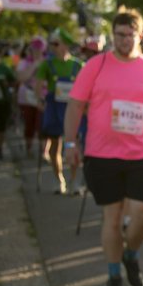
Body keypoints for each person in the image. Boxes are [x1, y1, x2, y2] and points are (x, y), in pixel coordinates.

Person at [63, 10, 143, 286]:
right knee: (111, 218)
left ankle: (131, 255)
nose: (124, 40)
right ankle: (113, 277)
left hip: (137, 155)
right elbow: (75, 105)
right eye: (119, 35)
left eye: (129, 35)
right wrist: (70, 144)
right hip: (101, 154)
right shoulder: (96, 66)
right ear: (113, 35)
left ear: (140, 35)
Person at [35, 29, 84, 193]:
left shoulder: (77, 65)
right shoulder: (47, 64)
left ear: (65, 45)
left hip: (72, 110)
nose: (53, 47)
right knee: (55, 147)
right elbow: (38, 84)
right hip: (54, 109)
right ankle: (59, 180)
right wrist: (39, 100)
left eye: (56, 44)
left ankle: (74, 181)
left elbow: (87, 88)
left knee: (72, 144)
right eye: (52, 44)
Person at [15, 38, 46, 158]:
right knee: (29, 124)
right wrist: (34, 65)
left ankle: (43, 151)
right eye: (34, 50)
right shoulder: (24, 62)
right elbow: (21, 78)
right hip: (27, 97)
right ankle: (29, 149)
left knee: (42, 124)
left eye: (39, 50)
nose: (36, 52)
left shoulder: (47, 62)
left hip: (42, 96)